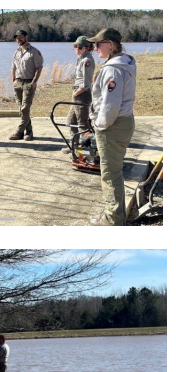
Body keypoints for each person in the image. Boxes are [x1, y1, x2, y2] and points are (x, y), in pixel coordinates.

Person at [87, 28, 137, 226]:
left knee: (110, 174)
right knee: (115, 171)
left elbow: (110, 106)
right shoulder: (125, 62)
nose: (95, 47)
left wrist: (99, 125)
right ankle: (116, 215)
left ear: (111, 44)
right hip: (124, 122)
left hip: (113, 126)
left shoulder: (112, 69)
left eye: (98, 44)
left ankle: (113, 220)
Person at [63, 36, 96, 154]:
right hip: (78, 95)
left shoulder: (87, 61)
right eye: (75, 46)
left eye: (80, 47)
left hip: (82, 95)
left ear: (87, 48)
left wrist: (76, 94)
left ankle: (90, 148)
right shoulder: (81, 58)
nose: (77, 48)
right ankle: (74, 146)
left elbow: (86, 84)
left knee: (83, 124)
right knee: (71, 120)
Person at [10, 30, 44, 141]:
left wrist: (34, 82)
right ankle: (28, 132)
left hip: (29, 83)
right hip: (18, 83)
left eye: (20, 37)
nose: (18, 39)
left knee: (25, 109)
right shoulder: (16, 52)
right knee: (21, 109)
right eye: (17, 38)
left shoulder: (34, 52)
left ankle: (19, 131)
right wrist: (13, 81)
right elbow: (13, 68)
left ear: (26, 37)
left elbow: (39, 68)